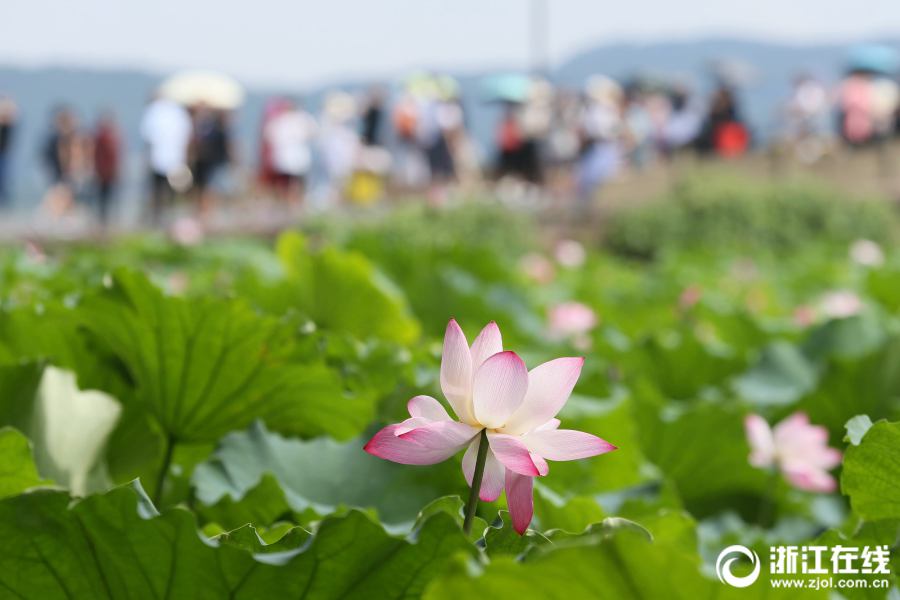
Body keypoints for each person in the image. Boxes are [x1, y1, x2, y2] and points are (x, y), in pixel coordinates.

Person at [140, 95, 192, 224]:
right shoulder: (179, 113)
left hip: (159, 159)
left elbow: (148, 136)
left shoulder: (154, 112)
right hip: (175, 159)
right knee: (172, 192)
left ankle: (159, 218)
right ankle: (171, 218)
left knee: (158, 191)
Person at [264, 97, 317, 206]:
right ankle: (294, 203)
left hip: (288, 157)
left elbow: (269, 136)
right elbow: (314, 132)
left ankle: (288, 202)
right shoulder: (301, 118)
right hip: (294, 157)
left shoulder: (281, 120)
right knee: (295, 182)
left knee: (287, 182)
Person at [190, 105, 232, 217]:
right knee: (208, 188)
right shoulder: (205, 128)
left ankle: (209, 213)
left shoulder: (216, 129)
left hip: (215, 162)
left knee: (212, 188)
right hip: (209, 162)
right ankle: (205, 213)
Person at [92, 111, 120, 225]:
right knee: (104, 199)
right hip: (104, 173)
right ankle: (103, 220)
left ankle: (105, 220)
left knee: (105, 199)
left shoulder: (104, 137)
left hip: (106, 173)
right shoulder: (104, 137)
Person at [0, 97, 16, 207]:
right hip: (4, 155)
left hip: (4, 154)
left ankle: (5, 205)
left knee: (4, 181)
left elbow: (13, 113)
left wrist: (7, 101)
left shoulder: (7, 125)